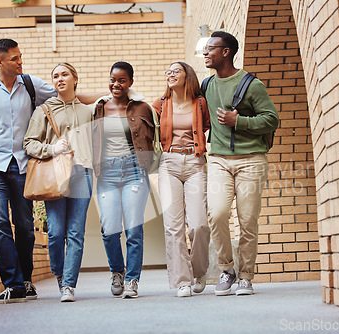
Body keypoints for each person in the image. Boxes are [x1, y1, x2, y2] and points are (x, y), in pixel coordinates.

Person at [0, 39, 101, 304]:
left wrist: (109, 96)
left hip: (24, 165)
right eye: (15, 58)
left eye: (20, 57)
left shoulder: (30, 85)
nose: (20, 61)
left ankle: (26, 280)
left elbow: (67, 96)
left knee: (25, 226)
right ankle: (13, 285)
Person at [202, 31, 279, 296]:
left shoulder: (251, 84)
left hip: (251, 160)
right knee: (218, 213)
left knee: (247, 220)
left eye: (210, 48)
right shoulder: (207, 85)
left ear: (225, 52)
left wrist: (240, 122)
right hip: (219, 160)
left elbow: (272, 119)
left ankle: (246, 276)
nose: (205, 53)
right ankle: (227, 268)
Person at [23, 63, 92, 302]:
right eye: (55, 76)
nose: (59, 79)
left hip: (82, 173)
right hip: (55, 173)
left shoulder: (87, 110)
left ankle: (69, 285)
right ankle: (60, 274)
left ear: (75, 78)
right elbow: (29, 143)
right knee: (55, 232)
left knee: (76, 232)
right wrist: (52, 148)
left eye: (64, 74)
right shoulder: (43, 110)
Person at [92, 61, 154, 299]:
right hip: (106, 173)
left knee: (134, 228)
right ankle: (117, 271)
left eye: (122, 80)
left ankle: (132, 280)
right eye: (112, 79)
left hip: (134, 171)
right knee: (109, 229)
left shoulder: (143, 108)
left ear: (130, 82)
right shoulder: (98, 107)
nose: (116, 84)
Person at [151, 62, 210, 298]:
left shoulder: (200, 103)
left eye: (176, 71)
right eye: (168, 71)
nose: (170, 74)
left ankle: (199, 271)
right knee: (173, 226)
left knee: (199, 224)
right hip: (169, 164)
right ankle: (182, 281)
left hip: (195, 163)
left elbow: (210, 128)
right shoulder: (161, 104)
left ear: (188, 76)